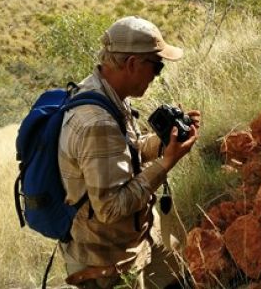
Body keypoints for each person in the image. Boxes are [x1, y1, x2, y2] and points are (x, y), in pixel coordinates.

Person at [58, 16, 200, 288]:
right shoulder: (96, 122)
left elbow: (125, 150)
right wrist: (167, 163)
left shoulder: (105, 93)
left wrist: (166, 142)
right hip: (108, 265)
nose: (157, 75)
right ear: (133, 64)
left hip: (138, 242)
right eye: (156, 67)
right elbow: (110, 209)